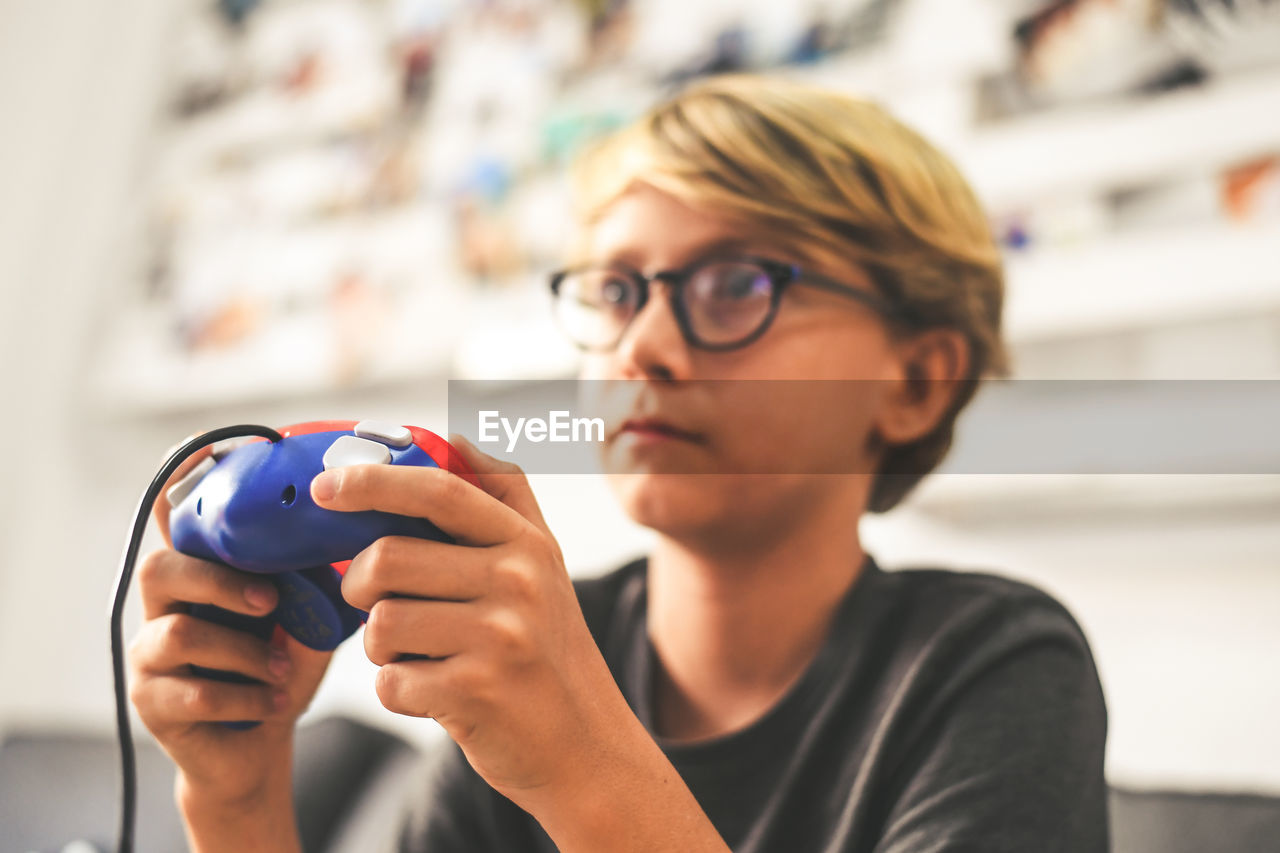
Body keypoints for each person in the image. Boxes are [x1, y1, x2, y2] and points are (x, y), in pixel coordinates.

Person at [128, 74, 1109, 852]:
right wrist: (240, 805)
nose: (641, 347)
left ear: (914, 382)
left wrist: (577, 758)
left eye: (732, 284)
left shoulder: (988, 665)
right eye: (615, 291)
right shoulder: (552, 639)